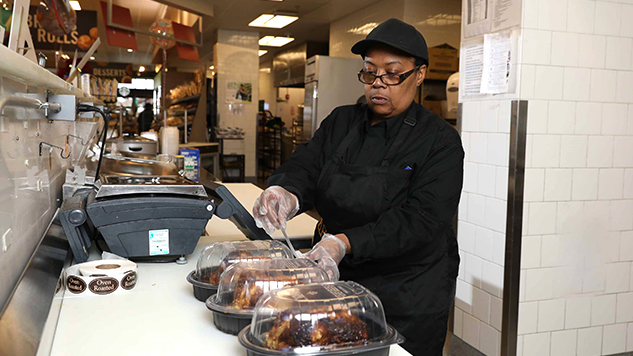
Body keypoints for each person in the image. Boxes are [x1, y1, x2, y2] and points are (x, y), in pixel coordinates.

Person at [253, 18, 463, 356]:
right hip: (339, 279)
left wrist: (344, 243)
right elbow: (306, 165)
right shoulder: (341, 121)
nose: (378, 85)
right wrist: (286, 191)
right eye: (369, 73)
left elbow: (421, 219)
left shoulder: (440, 141)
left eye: (393, 74)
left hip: (408, 291)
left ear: (419, 74)